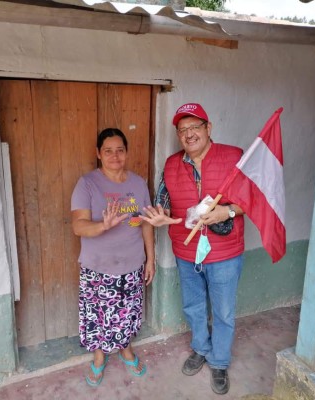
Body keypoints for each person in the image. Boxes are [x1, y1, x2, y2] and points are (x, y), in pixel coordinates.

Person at [140, 103, 245, 395]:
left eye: (195, 127)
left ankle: (220, 362)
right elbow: (164, 200)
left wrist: (228, 212)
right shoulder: (173, 164)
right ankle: (200, 347)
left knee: (223, 311)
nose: (189, 134)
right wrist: (161, 215)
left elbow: (251, 199)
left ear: (208, 129)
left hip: (225, 251)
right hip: (186, 252)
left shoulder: (234, 157)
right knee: (194, 306)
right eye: (182, 130)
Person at [71, 128, 155, 387]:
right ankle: (99, 357)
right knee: (98, 314)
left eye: (120, 150)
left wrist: (150, 258)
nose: (115, 156)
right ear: (99, 154)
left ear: (126, 152)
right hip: (98, 266)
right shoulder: (87, 184)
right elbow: (79, 226)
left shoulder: (138, 184)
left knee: (127, 312)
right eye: (108, 151)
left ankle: (125, 348)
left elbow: (146, 223)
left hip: (131, 264)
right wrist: (103, 226)